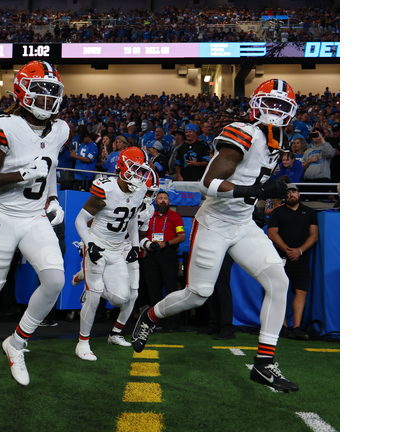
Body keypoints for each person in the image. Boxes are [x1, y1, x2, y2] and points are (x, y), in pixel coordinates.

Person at [132, 79, 300, 393]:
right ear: (255, 104)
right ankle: (150, 314)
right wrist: (260, 191)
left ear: (290, 112)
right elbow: (207, 184)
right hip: (214, 222)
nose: (275, 113)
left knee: (279, 281)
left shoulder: (279, 140)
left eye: (281, 106)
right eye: (270, 104)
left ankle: (264, 364)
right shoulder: (243, 132)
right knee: (198, 294)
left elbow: (252, 178)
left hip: (243, 223)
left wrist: (259, 203)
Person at [0, 60, 68, 394]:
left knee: (55, 281)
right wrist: (20, 174)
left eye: (52, 94)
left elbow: (50, 170)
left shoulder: (61, 129)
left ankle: (16, 343)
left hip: (35, 216)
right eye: (40, 92)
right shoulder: (4, 125)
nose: (47, 101)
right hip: (5, 215)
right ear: (22, 92)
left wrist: (52, 199)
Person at [74, 147, 156, 361]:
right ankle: (83, 343)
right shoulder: (106, 189)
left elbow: (130, 220)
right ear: (122, 166)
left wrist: (136, 246)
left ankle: (87, 278)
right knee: (93, 296)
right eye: (136, 170)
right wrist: (90, 244)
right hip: (98, 244)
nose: (140, 176)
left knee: (122, 297)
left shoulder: (139, 191)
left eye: (142, 171)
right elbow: (80, 221)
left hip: (118, 248)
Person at [267, 184, 319, 340]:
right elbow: (272, 233)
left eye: (294, 191)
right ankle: (282, 327)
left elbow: (314, 235)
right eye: (288, 192)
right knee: (279, 291)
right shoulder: (277, 212)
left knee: (301, 291)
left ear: (299, 194)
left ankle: (296, 327)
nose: (291, 194)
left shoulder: (309, 212)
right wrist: (288, 250)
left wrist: (299, 251)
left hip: (301, 258)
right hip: (279, 258)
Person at [139, 191, 186, 329]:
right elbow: (140, 234)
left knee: (171, 288)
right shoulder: (148, 216)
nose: (163, 201)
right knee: (153, 289)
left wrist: (165, 243)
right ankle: (157, 321)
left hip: (168, 254)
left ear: (169, 201)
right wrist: (148, 244)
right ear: (156, 201)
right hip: (150, 255)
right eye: (160, 198)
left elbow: (181, 236)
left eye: (166, 198)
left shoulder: (175, 216)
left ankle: (174, 321)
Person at [301, 128, 335, 200]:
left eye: (317, 134)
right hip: (308, 180)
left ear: (322, 135)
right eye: (313, 134)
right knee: (309, 203)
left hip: (322, 179)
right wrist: (309, 161)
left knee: (322, 202)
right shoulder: (307, 151)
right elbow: (301, 167)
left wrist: (321, 139)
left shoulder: (326, 147)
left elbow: (331, 153)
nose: (315, 136)